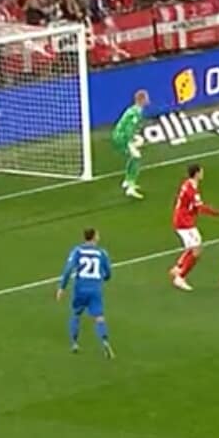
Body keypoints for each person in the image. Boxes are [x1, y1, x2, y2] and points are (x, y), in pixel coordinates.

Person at [55, 227, 114, 357]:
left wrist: (62, 288)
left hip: (80, 288)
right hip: (95, 289)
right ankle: (104, 341)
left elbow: (68, 269)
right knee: (99, 317)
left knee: (76, 314)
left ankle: (74, 343)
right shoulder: (102, 253)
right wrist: (103, 278)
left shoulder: (77, 251)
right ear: (94, 237)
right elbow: (109, 273)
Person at [168, 163, 219, 290]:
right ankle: (180, 278)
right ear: (197, 173)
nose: (203, 174)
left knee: (195, 243)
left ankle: (178, 267)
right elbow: (200, 207)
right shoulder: (191, 190)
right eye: (201, 172)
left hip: (184, 219)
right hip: (184, 222)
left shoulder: (187, 184)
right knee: (196, 250)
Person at [112, 89, 149, 199]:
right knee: (136, 157)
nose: (148, 100)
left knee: (133, 156)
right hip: (122, 137)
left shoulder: (133, 109)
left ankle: (127, 181)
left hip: (118, 135)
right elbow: (129, 128)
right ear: (142, 100)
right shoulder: (137, 112)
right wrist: (131, 140)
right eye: (146, 98)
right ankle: (130, 188)